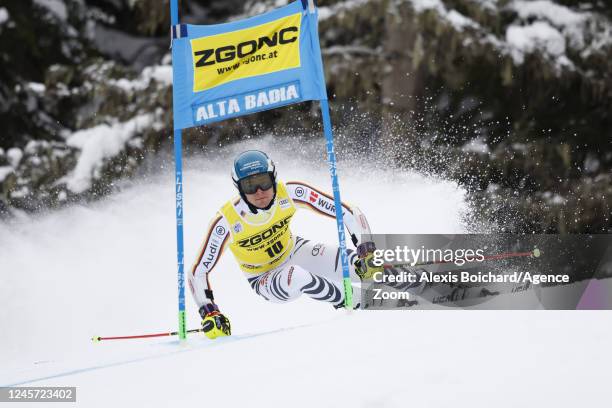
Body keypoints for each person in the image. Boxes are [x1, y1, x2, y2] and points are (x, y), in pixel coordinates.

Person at [189, 150, 382, 339]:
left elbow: (349, 212)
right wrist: (209, 311)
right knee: (296, 275)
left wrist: (367, 248)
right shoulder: (226, 222)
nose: (259, 192)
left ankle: (405, 276)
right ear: (239, 189)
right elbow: (198, 271)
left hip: (296, 251)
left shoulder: (290, 192)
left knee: (366, 265)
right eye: (249, 185)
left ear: (273, 178)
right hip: (264, 277)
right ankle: (356, 300)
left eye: (263, 182)